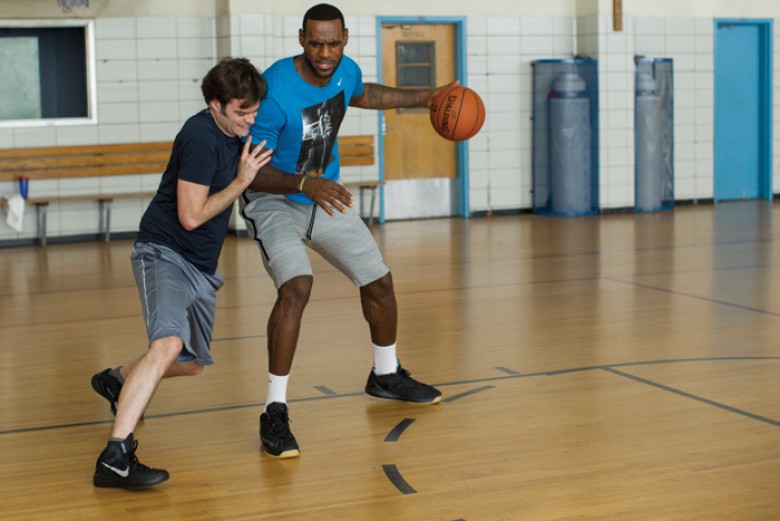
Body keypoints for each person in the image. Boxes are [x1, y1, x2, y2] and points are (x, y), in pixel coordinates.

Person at [240, 3, 453, 459]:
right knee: (297, 287)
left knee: (379, 282)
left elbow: (365, 94)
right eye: (315, 42)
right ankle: (274, 410)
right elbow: (251, 172)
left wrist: (426, 97)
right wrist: (303, 184)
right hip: (274, 199)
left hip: (323, 194)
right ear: (301, 39)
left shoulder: (345, 70)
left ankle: (385, 374)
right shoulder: (274, 90)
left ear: (345, 39)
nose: (324, 52)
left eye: (333, 42)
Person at [90, 57, 272, 489]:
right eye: (242, 111)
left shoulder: (235, 130)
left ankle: (117, 380)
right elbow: (190, 217)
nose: (251, 119)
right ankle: (115, 458)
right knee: (169, 343)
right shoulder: (200, 137)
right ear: (216, 104)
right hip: (164, 253)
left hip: (200, 267)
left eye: (254, 110)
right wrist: (241, 182)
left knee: (189, 362)